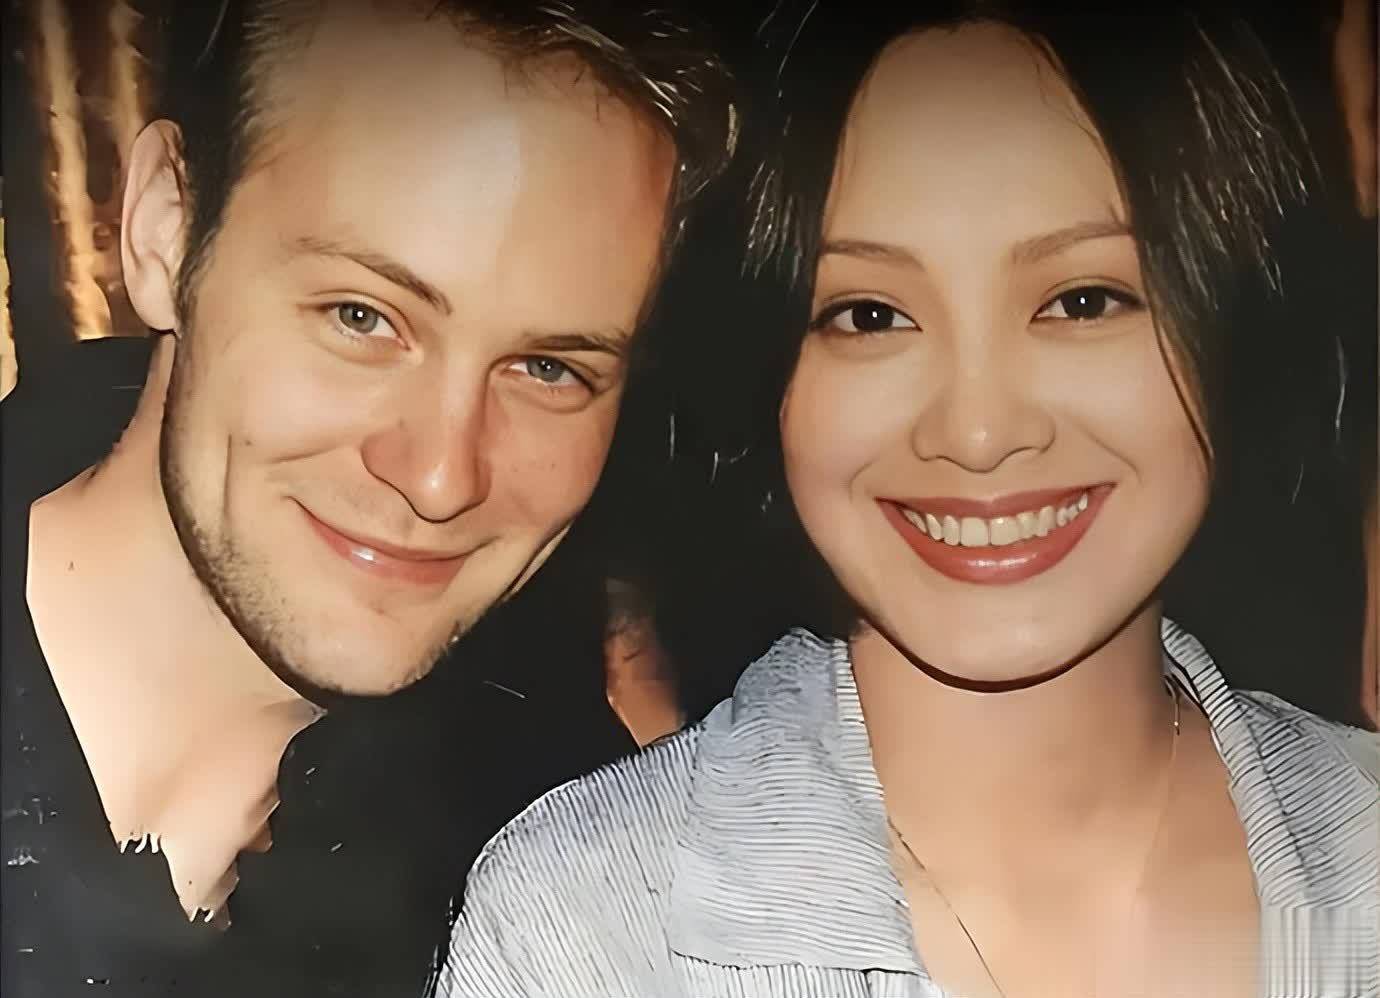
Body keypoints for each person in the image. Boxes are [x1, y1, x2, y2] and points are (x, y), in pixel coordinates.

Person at [441, 4, 1380, 997]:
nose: (977, 431)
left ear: (1233, 313)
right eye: (870, 315)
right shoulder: (587, 925)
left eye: (1081, 301)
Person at [0, 1, 737, 995]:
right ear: (166, 228)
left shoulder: (559, 836)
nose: (441, 476)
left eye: (549, 368)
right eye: (361, 316)